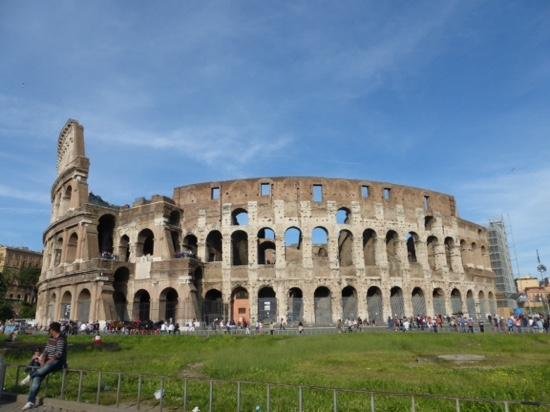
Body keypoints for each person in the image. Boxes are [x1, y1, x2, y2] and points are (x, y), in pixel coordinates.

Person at [22, 322, 68, 410]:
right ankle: (30, 401)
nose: (49, 331)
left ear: (53, 330)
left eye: (50, 330)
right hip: (47, 362)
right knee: (37, 379)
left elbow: (58, 354)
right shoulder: (51, 338)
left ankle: (29, 376)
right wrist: (42, 359)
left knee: (44, 369)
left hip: (58, 362)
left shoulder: (61, 339)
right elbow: (46, 350)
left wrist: (47, 362)